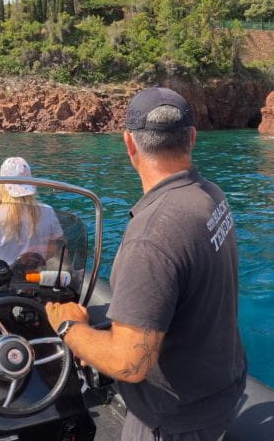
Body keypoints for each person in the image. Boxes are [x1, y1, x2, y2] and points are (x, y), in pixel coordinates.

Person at [45, 87, 247, 441]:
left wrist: (68, 329)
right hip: (219, 393)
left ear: (129, 143)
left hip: (173, 421)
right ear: (193, 138)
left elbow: (131, 363)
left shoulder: (152, 235)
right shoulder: (211, 195)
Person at [0, 157, 63, 268]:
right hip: (36, 277)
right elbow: (53, 250)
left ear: (2, 185)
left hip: (0, 280)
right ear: (30, 182)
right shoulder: (48, 211)